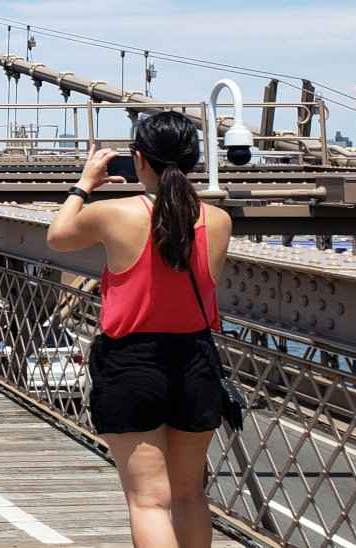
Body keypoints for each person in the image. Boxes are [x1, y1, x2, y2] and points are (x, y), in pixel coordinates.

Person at [46, 111, 233, 548]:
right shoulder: (220, 222)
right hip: (195, 359)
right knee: (189, 495)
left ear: (138, 158)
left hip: (132, 363)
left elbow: (57, 236)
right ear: (192, 159)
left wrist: (84, 184)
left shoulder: (114, 215)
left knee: (149, 501)